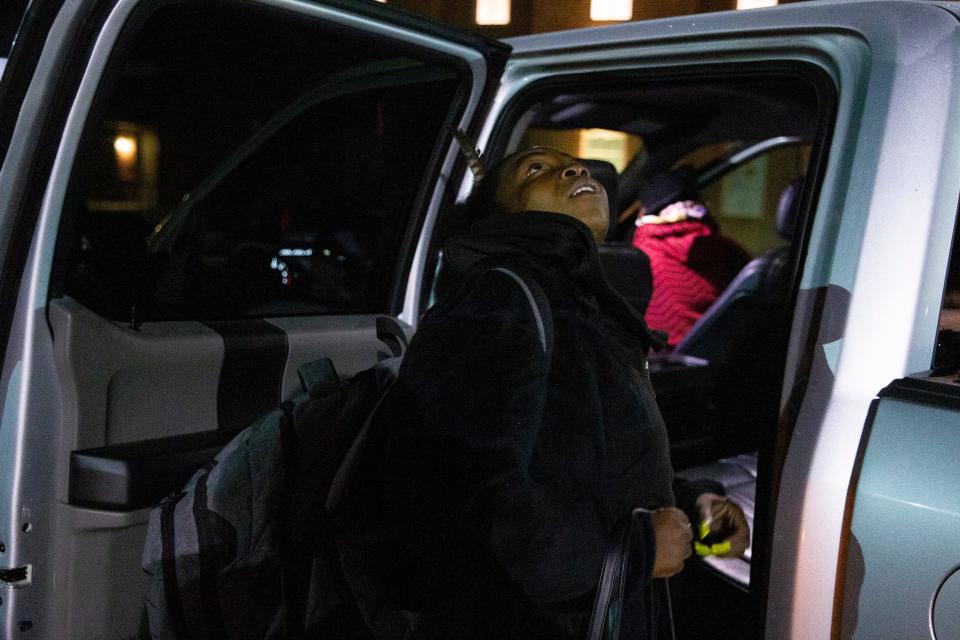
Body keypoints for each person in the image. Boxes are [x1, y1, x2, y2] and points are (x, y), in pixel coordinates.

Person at [366, 147, 749, 639]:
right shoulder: (498, 298)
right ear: (500, 217)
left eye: (577, 166)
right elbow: (460, 498)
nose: (575, 169)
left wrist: (691, 504)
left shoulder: (579, 304)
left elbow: (594, 464)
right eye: (536, 169)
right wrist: (634, 552)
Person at [628, 167, 751, 348]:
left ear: (644, 213)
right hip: (715, 362)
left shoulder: (638, 255)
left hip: (656, 364)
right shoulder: (728, 251)